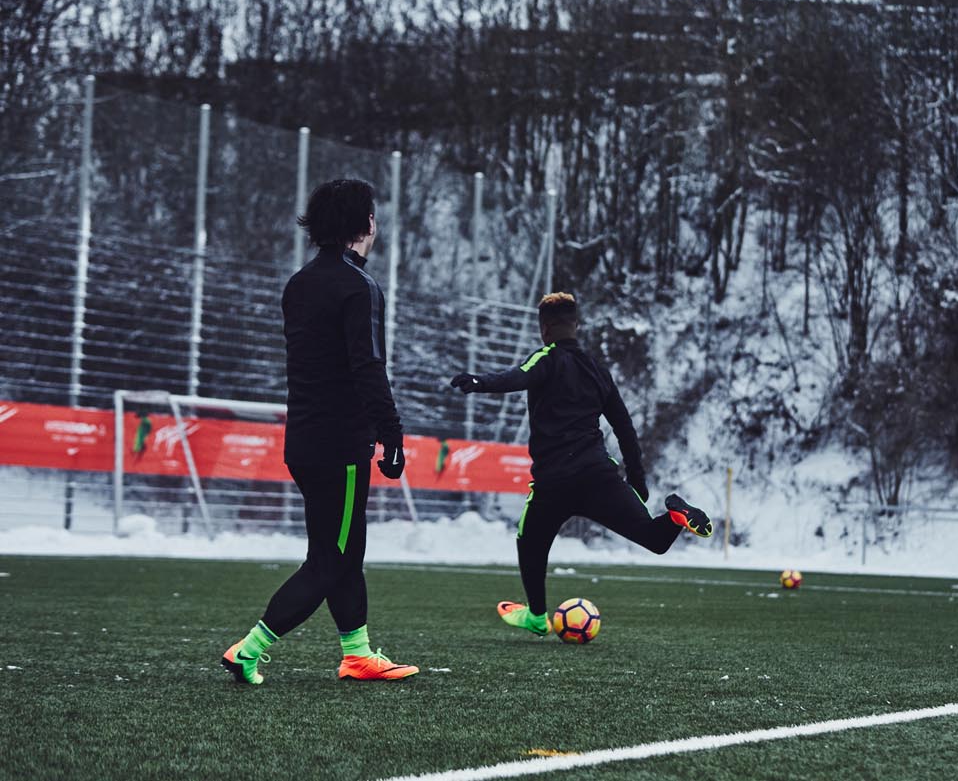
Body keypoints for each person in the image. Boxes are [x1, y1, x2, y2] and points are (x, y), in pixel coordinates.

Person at [221, 179, 418, 684]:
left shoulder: (300, 283)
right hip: (342, 445)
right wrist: (392, 434)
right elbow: (367, 366)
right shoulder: (359, 286)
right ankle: (249, 649)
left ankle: (358, 655)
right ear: (367, 223)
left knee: (344, 553)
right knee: (331, 560)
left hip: (305, 441)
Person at [450, 292, 713, 635]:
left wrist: (479, 382)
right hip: (597, 477)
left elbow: (518, 376)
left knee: (529, 542)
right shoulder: (598, 370)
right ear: (577, 325)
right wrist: (637, 477)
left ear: (544, 329)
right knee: (655, 539)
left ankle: (536, 616)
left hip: (553, 483)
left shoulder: (546, 358)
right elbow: (624, 427)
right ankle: (676, 517)